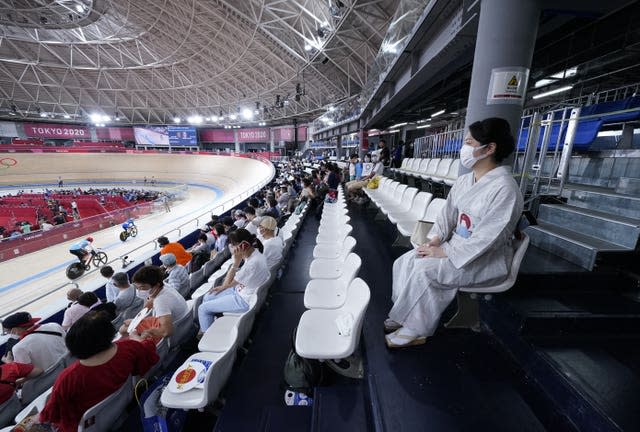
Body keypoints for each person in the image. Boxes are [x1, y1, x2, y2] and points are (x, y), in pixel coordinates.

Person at [384, 117, 524, 348]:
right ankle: (404, 314)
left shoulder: (505, 189)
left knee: (425, 270)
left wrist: (443, 254)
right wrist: (435, 240)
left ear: (489, 148)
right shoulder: (465, 181)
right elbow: (447, 215)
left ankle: (417, 329)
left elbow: (489, 238)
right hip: (453, 248)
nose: (464, 148)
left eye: (470, 142)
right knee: (406, 261)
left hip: (484, 259)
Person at [37, 312, 159, 432]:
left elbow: (51, 415)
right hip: (121, 408)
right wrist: (138, 339)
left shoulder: (68, 378)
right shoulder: (129, 347)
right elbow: (149, 353)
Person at [198, 229, 269, 333]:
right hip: (240, 290)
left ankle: (207, 335)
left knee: (202, 309)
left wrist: (236, 262)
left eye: (232, 245)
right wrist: (223, 287)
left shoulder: (251, 264)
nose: (231, 247)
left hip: (243, 300)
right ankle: (210, 323)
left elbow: (226, 284)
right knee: (208, 296)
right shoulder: (256, 253)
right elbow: (229, 284)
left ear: (243, 246)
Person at [120, 265, 188, 340]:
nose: (139, 291)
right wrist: (136, 321)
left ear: (156, 286)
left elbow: (167, 332)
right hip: (182, 323)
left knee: (123, 329)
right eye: (137, 287)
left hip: (175, 332)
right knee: (127, 326)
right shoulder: (163, 287)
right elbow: (150, 302)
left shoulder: (160, 301)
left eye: (142, 287)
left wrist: (144, 333)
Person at [1, 312, 67, 370]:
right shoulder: (55, 325)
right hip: (69, 365)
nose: (9, 334)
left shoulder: (19, 348)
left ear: (14, 330)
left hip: (50, 380)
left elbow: (25, 374)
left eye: (8, 332)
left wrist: (9, 363)